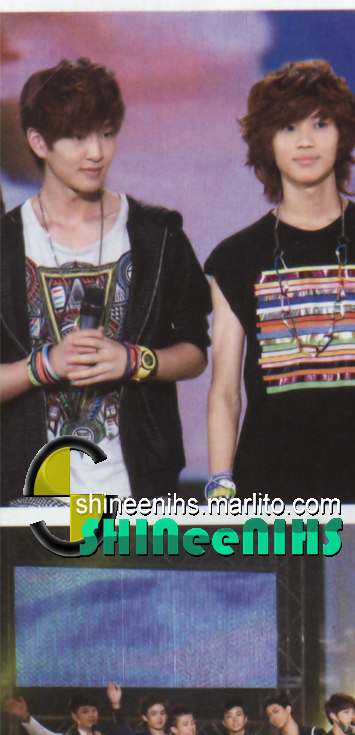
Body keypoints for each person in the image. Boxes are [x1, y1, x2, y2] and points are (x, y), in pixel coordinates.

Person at [205, 59, 355, 505]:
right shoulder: (235, 259)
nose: (306, 141)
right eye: (288, 127)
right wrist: (220, 487)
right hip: (265, 500)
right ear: (266, 141)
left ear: (343, 133)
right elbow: (225, 390)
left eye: (320, 124)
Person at [1, 58, 210, 502]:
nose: (96, 152)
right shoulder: (5, 245)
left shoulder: (157, 235)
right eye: (77, 137)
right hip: (28, 495)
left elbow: (194, 352)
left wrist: (134, 361)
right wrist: (45, 365)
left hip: (139, 490)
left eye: (106, 133)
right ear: (38, 141)